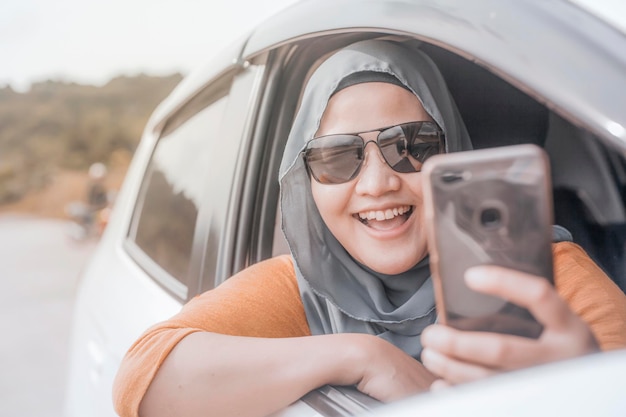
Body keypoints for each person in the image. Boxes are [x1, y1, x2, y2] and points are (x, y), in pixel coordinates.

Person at [112, 39, 626, 417]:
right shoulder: (300, 291)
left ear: (452, 154)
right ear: (305, 183)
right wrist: (362, 357)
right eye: (338, 157)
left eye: (413, 145)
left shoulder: (545, 278)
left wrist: (582, 383)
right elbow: (143, 378)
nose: (378, 183)